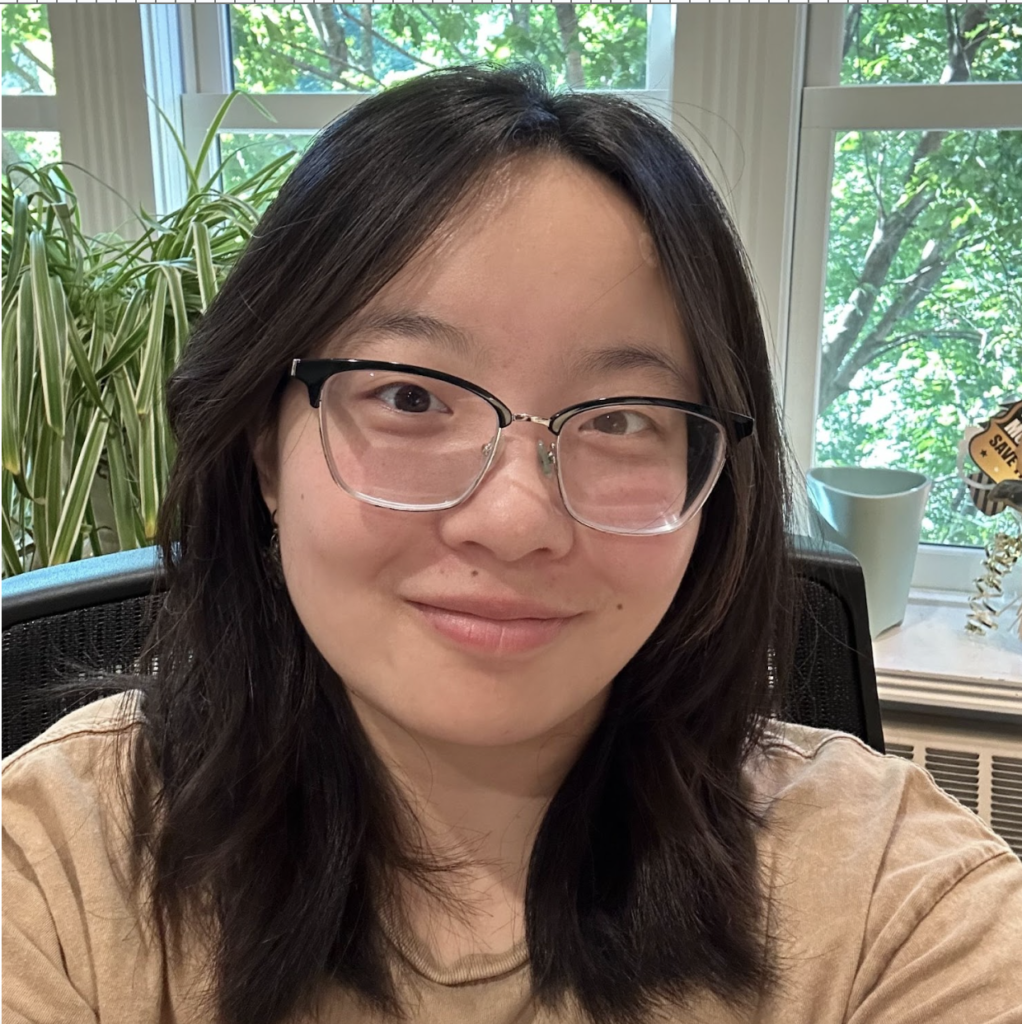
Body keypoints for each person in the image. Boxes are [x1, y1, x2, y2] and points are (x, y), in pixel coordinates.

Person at [3, 64, 1021, 1024]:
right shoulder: (60, 865)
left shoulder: (891, 892)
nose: (514, 519)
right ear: (266, 449)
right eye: (408, 396)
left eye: (621, 417)